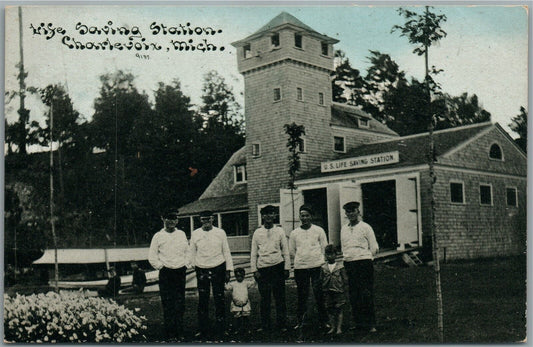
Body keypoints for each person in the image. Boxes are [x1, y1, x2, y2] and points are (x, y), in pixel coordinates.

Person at [189, 210, 234, 340]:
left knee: (219, 298)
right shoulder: (195, 234)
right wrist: (194, 265)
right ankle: (203, 329)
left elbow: (226, 251)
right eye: (203, 219)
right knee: (203, 300)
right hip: (202, 269)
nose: (206, 222)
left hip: (218, 268)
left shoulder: (220, 232)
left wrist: (228, 270)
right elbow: (192, 252)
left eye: (208, 219)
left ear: (213, 219)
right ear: (200, 220)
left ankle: (222, 328)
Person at [148, 209, 191, 342]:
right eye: (168, 218)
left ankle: (180, 332)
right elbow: (152, 256)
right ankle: (170, 333)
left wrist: (185, 264)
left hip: (180, 272)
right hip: (166, 273)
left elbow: (187, 252)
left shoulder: (182, 234)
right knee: (168, 303)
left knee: (180, 302)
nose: (171, 221)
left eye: (174, 218)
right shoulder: (158, 236)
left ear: (177, 220)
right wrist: (161, 266)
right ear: (163, 219)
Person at [288, 204, 329, 334]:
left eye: (307, 215)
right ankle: (301, 321)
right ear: (299, 217)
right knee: (302, 295)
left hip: (316, 266)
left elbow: (324, 247)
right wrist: (302, 259)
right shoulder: (294, 233)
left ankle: (324, 321)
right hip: (301, 267)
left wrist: (319, 261)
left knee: (319, 294)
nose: (304, 218)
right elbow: (292, 251)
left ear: (311, 216)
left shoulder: (319, 230)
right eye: (302, 215)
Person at [250, 205, 290, 333]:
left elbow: (285, 250)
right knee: (265, 298)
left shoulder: (279, 231)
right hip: (263, 269)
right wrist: (254, 270)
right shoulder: (257, 232)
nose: (268, 216)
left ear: (275, 215)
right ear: (262, 216)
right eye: (265, 214)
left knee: (280, 298)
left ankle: (282, 324)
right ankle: (265, 325)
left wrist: (287, 267)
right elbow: (253, 253)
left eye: (271, 213)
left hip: (277, 267)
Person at [340, 201, 379, 334]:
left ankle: (371, 324)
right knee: (354, 294)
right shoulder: (344, 228)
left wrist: (365, 257)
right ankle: (359, 323)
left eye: (353, 210)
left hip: (364, 263)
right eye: (348, 211)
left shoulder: (365, 227)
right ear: (346, 213)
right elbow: (344, 247)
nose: (351, 213)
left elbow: (374, 247)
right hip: (350, 264)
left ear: (358, 211)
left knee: (366, 293)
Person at [321, 244, 349, 335]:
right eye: (328, 254)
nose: (330, 256)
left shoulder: (340, 267)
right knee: (330, 309)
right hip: (328, 291)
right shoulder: (323, 267)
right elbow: (321, 279)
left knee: (339, 308)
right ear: (325, 255)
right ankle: (332, 327)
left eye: (332, 254)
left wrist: (344, 288)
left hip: (338, 291)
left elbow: (345, 278)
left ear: (336, 255)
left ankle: (339, 328)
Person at [225, 267, 255, 338]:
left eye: (241, 276)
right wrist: (226, 281)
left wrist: (255, 277)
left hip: (245, 304)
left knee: (246, 317)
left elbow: (253, 283)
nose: (240, 278)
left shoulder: (246, 283)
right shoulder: (233, 284)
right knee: (237, 318)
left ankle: (247, 329)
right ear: (235, 276)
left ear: (244, 276)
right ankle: (237, 329)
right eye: (238, 276)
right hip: (236, 304)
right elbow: (226, 287)